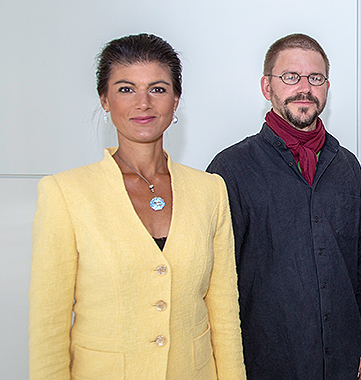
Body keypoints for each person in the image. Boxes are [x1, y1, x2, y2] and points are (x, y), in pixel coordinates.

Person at [28, 34, 246, 380]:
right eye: (126, 89)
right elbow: (48, 328)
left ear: (176, 101)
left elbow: (223, 313)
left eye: (157, 89)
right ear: (104, 99)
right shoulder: (65, 193)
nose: (143, 103)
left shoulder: (210, 190)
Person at [207, 33, 361, 380]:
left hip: (342, 362)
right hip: (265, 363)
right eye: (290, 77)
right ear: (267, 87)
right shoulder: (230, 169)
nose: (304, 88)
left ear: (327, 87)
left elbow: (360, 267)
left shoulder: (347, 167)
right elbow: (215, 283)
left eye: (315, 78)